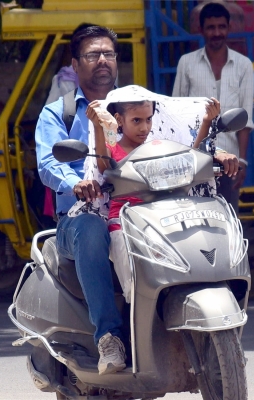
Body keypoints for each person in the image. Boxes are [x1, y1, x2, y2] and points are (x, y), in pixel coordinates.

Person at [35, 25, 126, 376]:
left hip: (132, 208)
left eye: (108, 54)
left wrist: (215, 153)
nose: (102, 61)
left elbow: (167, 141)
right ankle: (108, 337)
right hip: (78, 218)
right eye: (92, 55)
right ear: (75, 64)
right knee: (90, 227)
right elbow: (47, 164)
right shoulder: (58, 113)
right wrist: (76, 183)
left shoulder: (136, 104)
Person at [85, 88, 229, 303]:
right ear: (119, 120)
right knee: (137, 291)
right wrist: (99, 126)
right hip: (124, 227)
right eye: (137, 120)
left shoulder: (156, 148)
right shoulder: (112, 149)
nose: (145, 127)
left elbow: (192, 158)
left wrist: (207, 122)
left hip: (161, 224)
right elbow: (103, 164)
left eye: (149, 119)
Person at [172, 2, 254, 213]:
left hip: (229, 162)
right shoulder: (186, 63)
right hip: (194, 159)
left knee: (228, 221)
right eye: (211, 27)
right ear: (201, 30)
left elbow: (245, 118)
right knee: (194, 218)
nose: (217, 32)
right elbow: (175, 114)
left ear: (228, 28)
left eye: (221, 27)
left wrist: (242, 160)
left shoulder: (244, 65)